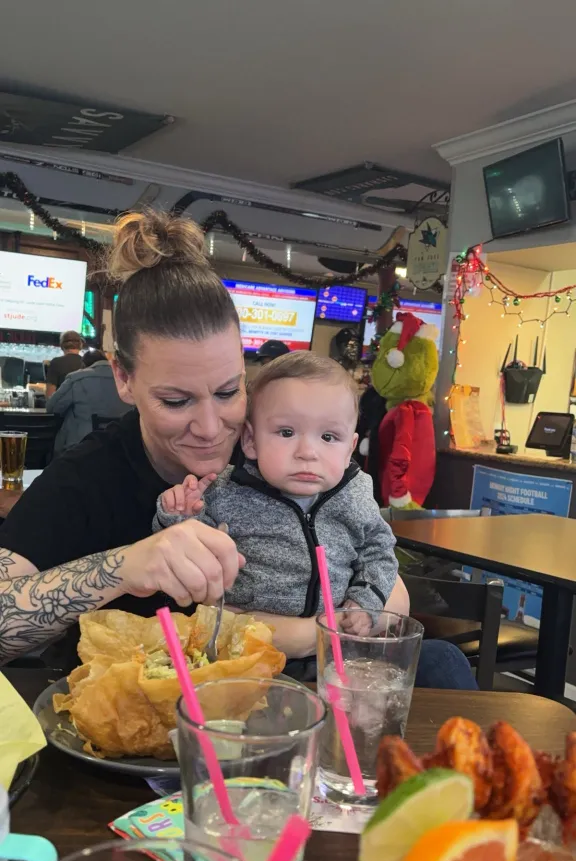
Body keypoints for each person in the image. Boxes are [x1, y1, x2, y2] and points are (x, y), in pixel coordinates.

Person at [0, 209, 475, 690]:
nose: (211, 429)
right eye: (175, 400)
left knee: (440, 665)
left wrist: (310, 633)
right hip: (152, 716)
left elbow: (391, 592)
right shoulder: (89, 477)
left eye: (229, 391)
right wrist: (125, 566)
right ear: (123, 378)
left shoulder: (279, 443)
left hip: (296, 689)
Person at [155, 351, 477, 690]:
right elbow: (186, 555)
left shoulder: (354, 493)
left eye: (328, 437)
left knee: (444, 659)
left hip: (342, 652)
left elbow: (379, 552)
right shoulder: (225, 493)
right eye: (286, 432)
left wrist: (364, 602)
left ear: (350, 447)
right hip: (253, 660)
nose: (308, 452)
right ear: (250, 439)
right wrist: (179, 517)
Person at [47, 349, 131, 454]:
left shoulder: (76, 378)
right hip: (121, 449)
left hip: (79, 450)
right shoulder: (125, 380)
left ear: (84, 364)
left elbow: (52, 407)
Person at [45, 331, 84, 397]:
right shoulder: (87, 363)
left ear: (62, 345)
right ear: (80, 345)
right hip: (82, 406)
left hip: (62, 406)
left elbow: (50, 394)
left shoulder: (56, 362)